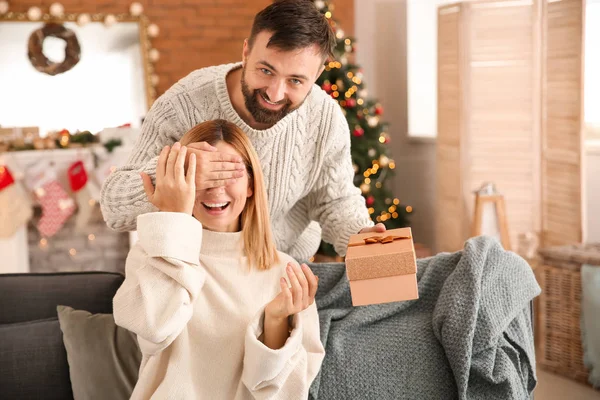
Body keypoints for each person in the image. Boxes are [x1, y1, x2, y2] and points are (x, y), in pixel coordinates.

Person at [100, 0, 385, 261]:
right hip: (199, 273)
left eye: (296, 80)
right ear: (246, 51)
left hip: (284, 268)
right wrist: (176, 172)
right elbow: (114, 208)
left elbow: (335, 199)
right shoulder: (183, 104)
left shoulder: (324, 117)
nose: (275, 93)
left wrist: (361, 238)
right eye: (266, 71)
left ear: (318, 74)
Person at [113, 120, 325, 399]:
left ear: (251, 184)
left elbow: (282, 391)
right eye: (203, 176)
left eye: (229, 174)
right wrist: (174, 219)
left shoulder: (285, 271)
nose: (216, 190)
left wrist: (274, 321)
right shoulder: (152, 250)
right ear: (182, 182)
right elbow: (154, 328)